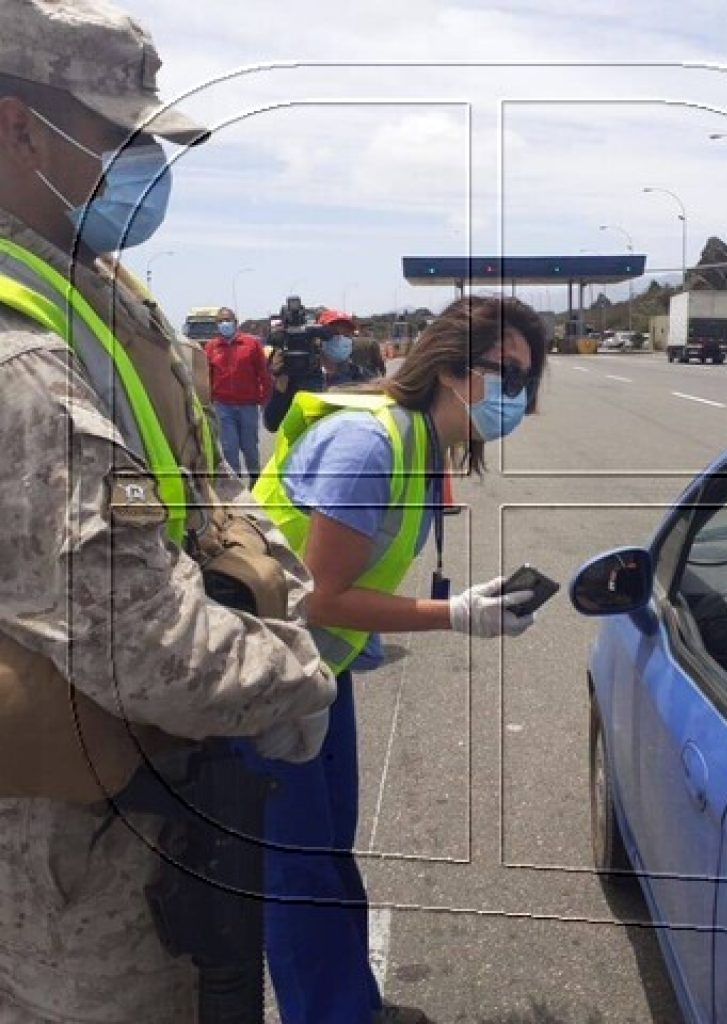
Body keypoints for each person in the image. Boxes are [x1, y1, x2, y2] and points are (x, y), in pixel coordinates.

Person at [0, 2, 336, 1020]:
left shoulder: (96, 291)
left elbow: (199, 485)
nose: (149, 166)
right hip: (74, 869)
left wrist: (274, 582)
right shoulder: (22, 358)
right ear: (18, 128)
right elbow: (140, 648)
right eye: (122, 139)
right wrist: (297, 680)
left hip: (146, 815)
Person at [252, 294, 549, 1024]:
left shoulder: (417, 440)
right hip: (264, 675)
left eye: (528, 382)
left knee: (326, 850)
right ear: (450, 368)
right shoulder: (372, 445)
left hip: (317, 672)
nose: (519, 397)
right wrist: (455, 615)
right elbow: (319, 597)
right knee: (297, 867)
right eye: (506, 374)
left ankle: (351, 1004)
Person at [204, 305, 272, 485]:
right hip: (223, 405)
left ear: (236, 322)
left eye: (227, 320)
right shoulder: (211, 347)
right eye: (220, 321)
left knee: (249, 447)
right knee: (229, 447)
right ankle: (234, 485)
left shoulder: (251, 344)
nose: (224, 324)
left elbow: (263, 373)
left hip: (248, 405)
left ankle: (256, 481)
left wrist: (265, 399)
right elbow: (206, 375)